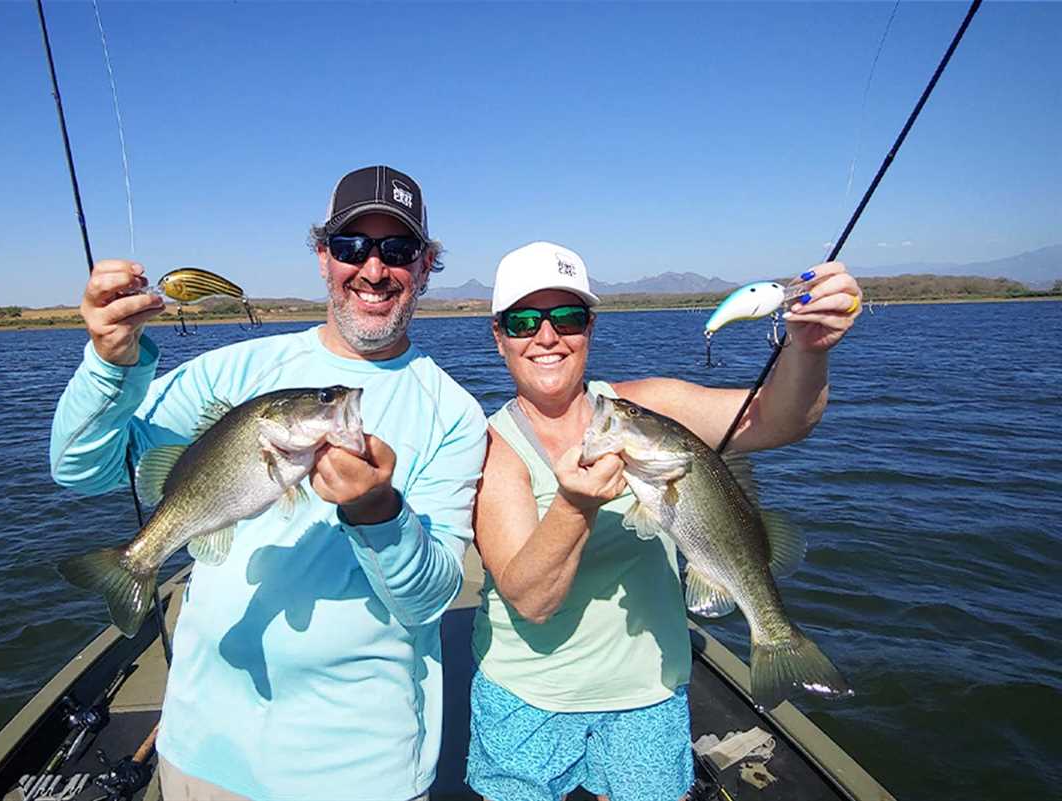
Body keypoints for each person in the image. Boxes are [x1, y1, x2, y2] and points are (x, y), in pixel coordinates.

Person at [50, 166, 487, 801]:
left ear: (423, 267)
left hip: (363, 772)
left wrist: (377, 510)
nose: (372, 269)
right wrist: (109, 365)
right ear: (322, 259)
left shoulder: (455, 414)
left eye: (396, 250)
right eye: (350, 247)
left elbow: (428, 600)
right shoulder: (233, 371)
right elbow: (82, 469)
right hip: (203, 752)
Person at [466, 241, 862, 801]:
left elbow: (780, 420)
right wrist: (575, 505)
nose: (547, 337)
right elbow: (530, 601)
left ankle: (780, 645)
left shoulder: (651, 408)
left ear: (590, 328)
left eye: (569, 317)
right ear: (499, 336)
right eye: (525, 321)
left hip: (647, 689)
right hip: (527, 694)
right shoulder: (490, 446)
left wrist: (810, 350)